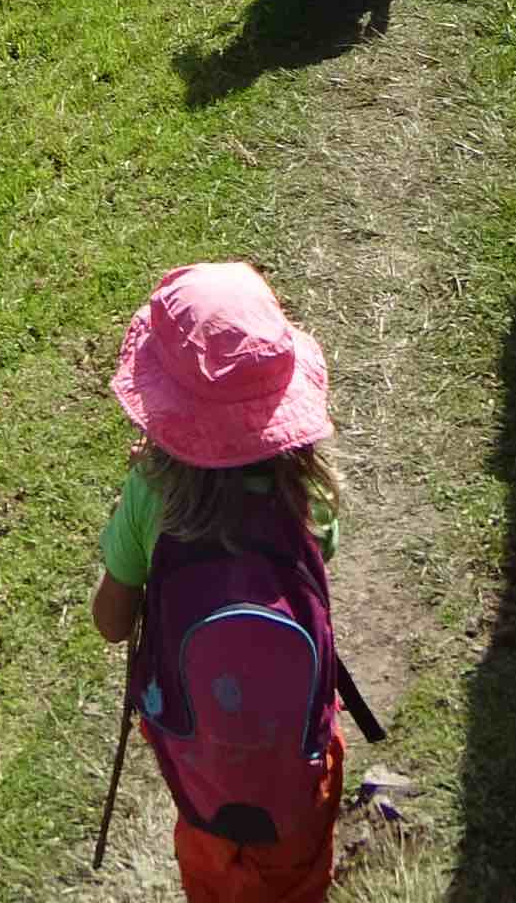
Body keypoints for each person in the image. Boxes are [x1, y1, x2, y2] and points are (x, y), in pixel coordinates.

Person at [90, 261, 348, 901]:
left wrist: (144, 490)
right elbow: (321, 566)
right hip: (302, 761)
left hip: (197, 761)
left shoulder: (152, 494)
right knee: (297, 876)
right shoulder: (308, 495)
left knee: (210, 874)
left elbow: (110, 620)